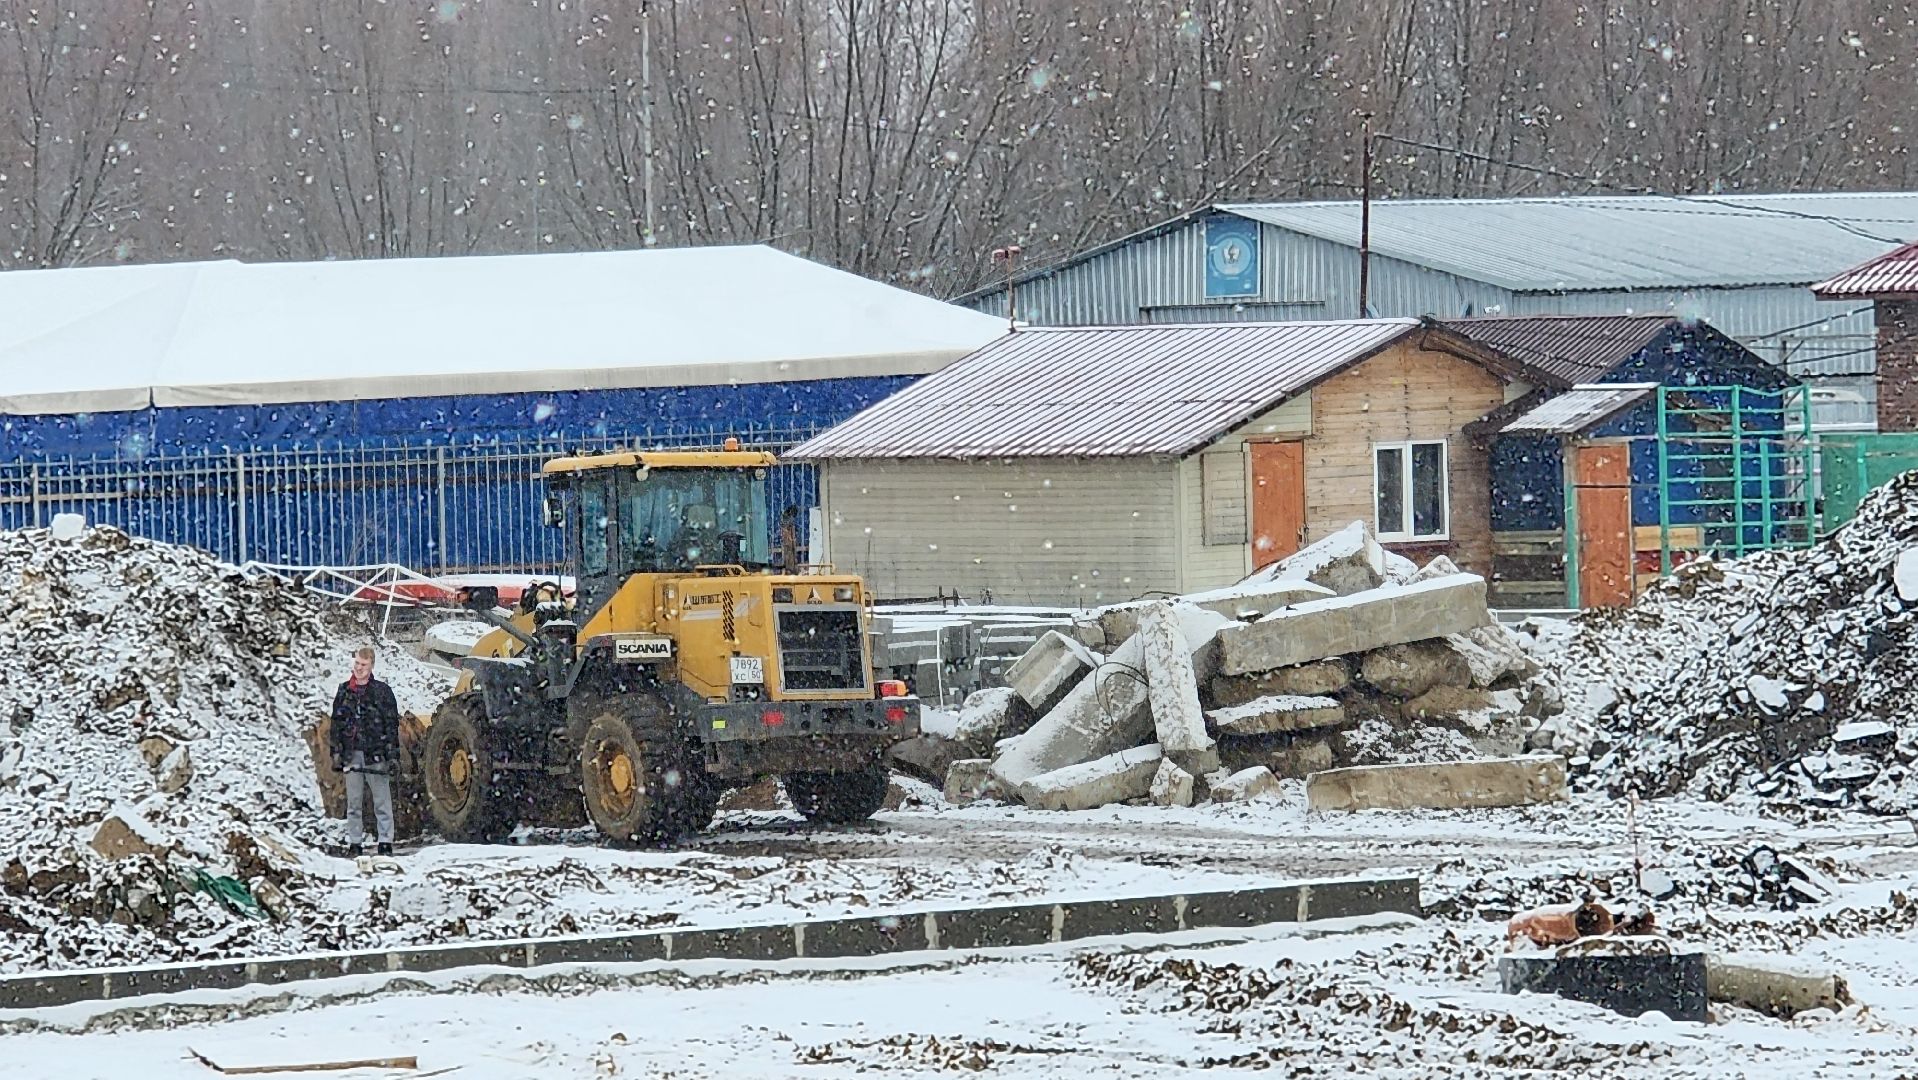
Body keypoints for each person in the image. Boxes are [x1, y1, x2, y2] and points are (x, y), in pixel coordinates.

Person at [330, 646, 402, 857]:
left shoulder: (382, 691)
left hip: (376, 753)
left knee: (382, 801)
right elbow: (336, 724)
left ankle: (385, 843)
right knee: (353, 803)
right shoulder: (344, 691)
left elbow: (391, 725)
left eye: (364, 665)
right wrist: (336, 752)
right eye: (357, 664)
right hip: (352, 754)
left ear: (371, 666)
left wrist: (392, 755)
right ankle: (355, 843)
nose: (359, 668)